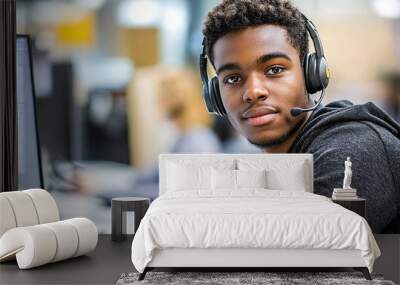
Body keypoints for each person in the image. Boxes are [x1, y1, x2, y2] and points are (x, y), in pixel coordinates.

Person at [201, 0, 400, 233]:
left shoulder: (353, 150)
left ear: (310, 74)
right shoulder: (288, 160)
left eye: (274, 70)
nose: (253, 92)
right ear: (215, 95)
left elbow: (304, 261)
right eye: (232, 78)